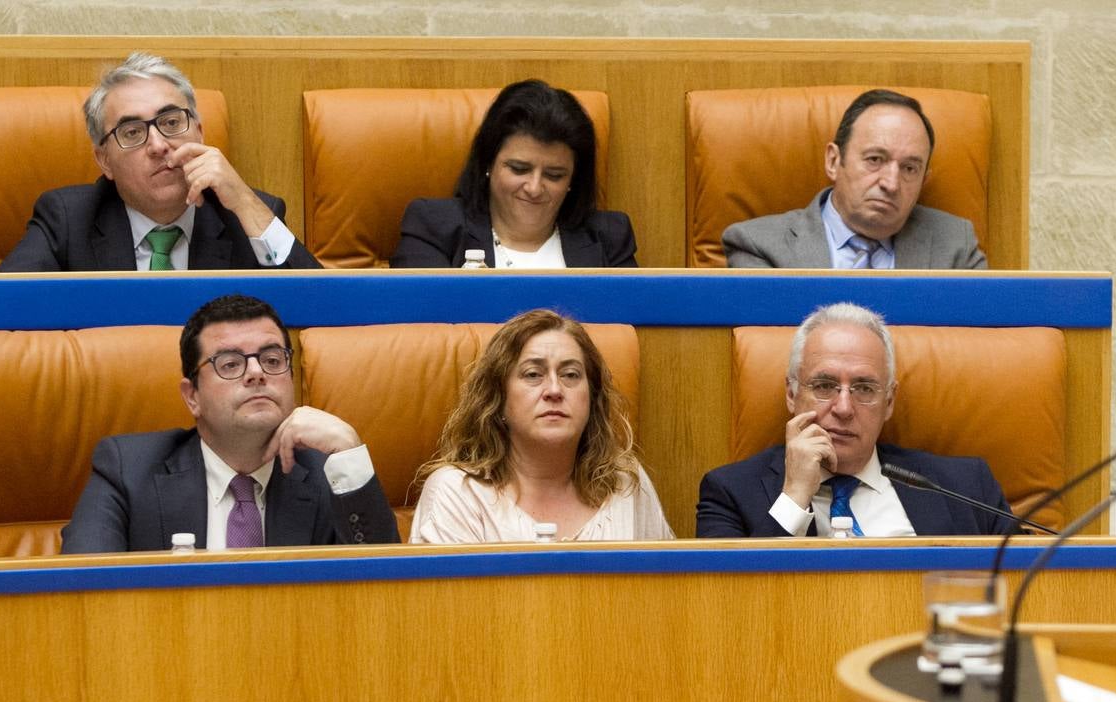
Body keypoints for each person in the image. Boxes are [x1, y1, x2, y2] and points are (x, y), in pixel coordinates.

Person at [62, 295, 397, 553]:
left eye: (272, 360)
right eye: (230, 363)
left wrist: (350, 453)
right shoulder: (128, 471)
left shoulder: (331, 475)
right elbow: (82, 593)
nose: (256, 373)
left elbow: (389, 597)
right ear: (192, 395)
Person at [696, 302, 1007, 537]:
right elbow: (736, 606)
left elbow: (1031, 590)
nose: (843, 408)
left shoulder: (967, 487)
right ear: (791, 394)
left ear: (889, 401)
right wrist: (794, 495)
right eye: (824, 386)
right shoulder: (729, 493)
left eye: (864, 388)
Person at [0, 52, 320, 272]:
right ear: (104, 160)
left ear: (199, 133)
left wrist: (247, 206)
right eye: (133, 131)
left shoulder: (247, 215)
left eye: (170, 123)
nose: (158, 145)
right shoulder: (68, 221)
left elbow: (322, 310)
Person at [410, 309, 672, 543]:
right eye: (533, 375)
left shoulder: (625, 483)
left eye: (570, 375)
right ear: (498, 399)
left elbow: (665, 593)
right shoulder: (458, 493)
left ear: (592, 398)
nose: (555, 390)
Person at [722, 89, 986, 270]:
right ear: (834, 161)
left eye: (909, 169)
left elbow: (971, 348)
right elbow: (768, 349)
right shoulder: (760, 246)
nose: (891, 184)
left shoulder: (955, 246)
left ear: (923, 181)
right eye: (875, 159)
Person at [391, 80, 638, 269]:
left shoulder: (609, 238)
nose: (534, 187)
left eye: (554, 175)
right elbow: (420, 329)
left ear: (573, 179)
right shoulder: (434, 227)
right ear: (488, 162)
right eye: (519, 169)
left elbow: (633, 330)